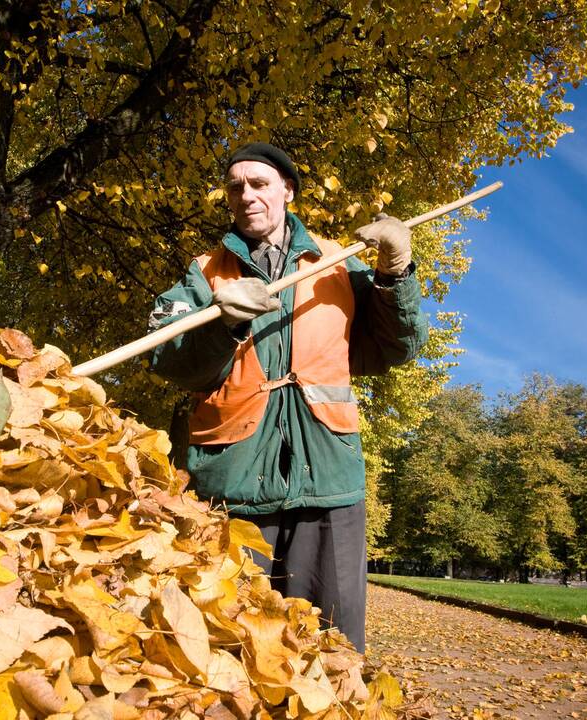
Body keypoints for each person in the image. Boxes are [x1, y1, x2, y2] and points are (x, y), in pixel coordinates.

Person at [148, 141, 428, 652]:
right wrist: (221, 323)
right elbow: (170, 361)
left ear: (287, 191)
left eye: (259, 183)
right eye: (236, 187)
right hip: (229, 484)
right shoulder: (204, 274)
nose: (246, 195)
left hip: (327, 479)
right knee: (228, 644)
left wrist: (395, 275)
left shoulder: (338, 264)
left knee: (329, 648)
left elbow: (396, 347)